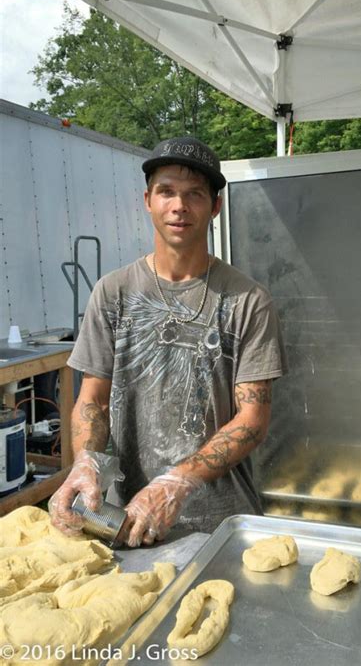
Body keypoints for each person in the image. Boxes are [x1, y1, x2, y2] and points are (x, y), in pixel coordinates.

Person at [49, 136, 287, 547]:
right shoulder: (112, 292)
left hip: (221, 527)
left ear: (215, 206)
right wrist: (86, 461)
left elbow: (252, 419)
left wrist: (177, 482)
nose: (179, 206)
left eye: (195, 194)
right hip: (123, 521)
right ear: (148, 200)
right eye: (167, 192)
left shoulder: (248, 300)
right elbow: (93, 400)